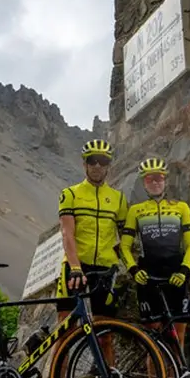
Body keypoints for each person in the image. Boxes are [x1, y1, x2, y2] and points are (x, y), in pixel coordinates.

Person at [122, 156, 190, 353]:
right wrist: (133, 270)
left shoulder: (181, 207)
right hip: (148, 278)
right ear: (144, 183)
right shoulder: (135, 211)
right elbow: (124, 247)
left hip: (176, 275)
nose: (155, 182)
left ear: (165, 180)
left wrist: (184, 270)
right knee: (153, 341)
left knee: (177, 336)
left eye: (158, 178)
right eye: (149, 179)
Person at [56, 138, 127, 322]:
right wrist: (75, 267)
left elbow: (125, 237)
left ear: (108, 165)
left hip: (105, 269)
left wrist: (129, 264)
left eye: (103, 161)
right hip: (76, 265)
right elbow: (67, 233)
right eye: (92, 160)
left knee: (105, 332)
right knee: (66, 325)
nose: (97, 165)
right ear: (84, 164)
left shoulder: (118, 198)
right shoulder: (70, 194)